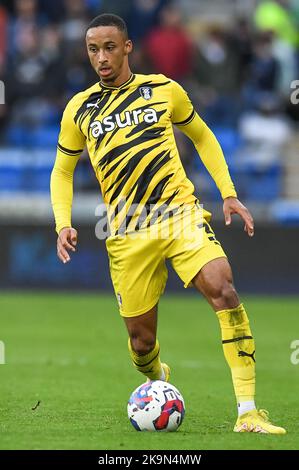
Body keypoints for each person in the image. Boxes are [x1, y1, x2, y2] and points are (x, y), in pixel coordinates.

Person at [50, 13, 286, 434]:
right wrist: (62, 222)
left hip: (179, 214)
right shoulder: (79, 109)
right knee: (141, 343)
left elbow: (203, 136)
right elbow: (63, 171)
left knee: (224, 289)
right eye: (92, 49)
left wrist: (228, 192)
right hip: (125, 230)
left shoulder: (163, 89)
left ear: (127, 47)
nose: (100, 58)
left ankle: (248, 412)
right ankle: (156, 375)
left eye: (108, 47)